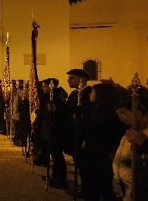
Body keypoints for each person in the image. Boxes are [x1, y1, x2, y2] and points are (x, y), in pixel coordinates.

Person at [83, 83, 126, 200]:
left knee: (103, 185)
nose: (90, 94)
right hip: (93, 152)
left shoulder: (109, 113)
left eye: (92, 91)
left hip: (102, 154)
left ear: (101, 95)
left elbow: (111, 133)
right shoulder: (95, 109)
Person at [114, 94, 148, 201]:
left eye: (123, 113)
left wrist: (143, 143)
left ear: (138, 112)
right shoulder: (132, 131)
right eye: (118, 114)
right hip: (129, 183)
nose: (120, 118)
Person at [65, 68, 93, 198]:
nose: (68, 80)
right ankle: (84, 187)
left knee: (85, 166)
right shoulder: (73, 94)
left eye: (72, 78)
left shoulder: (89, 93)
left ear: (81, 79)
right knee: (79, 163)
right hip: (73, 133)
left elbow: (90, 115)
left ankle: (88, 190)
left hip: (84, 134)